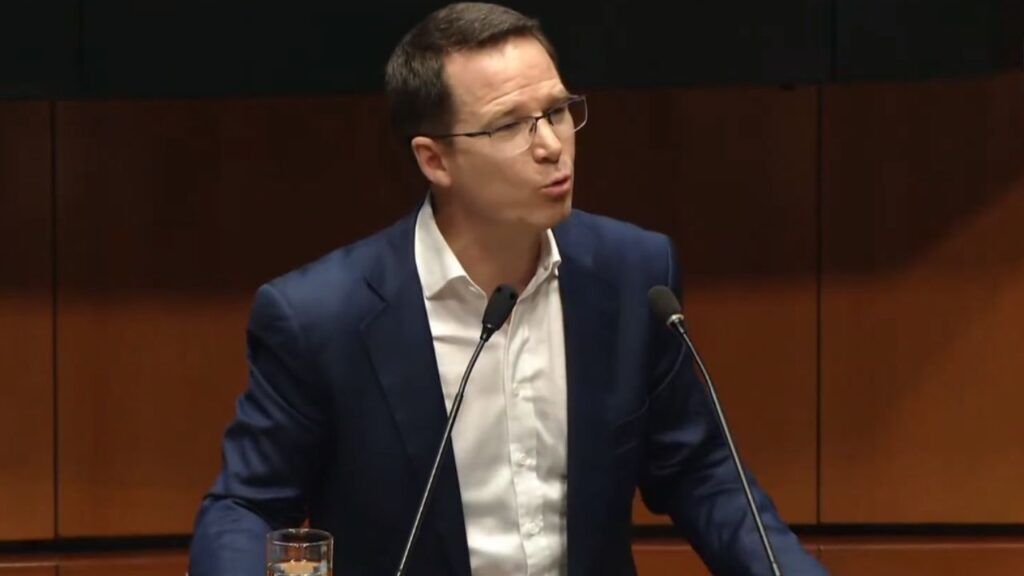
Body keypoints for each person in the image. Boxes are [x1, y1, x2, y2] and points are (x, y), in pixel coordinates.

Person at [189, 3, 827, 575]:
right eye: (510, 126)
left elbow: (701, 472)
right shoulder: (321, 318)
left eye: (557, 112)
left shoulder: (633, 275)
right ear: (434, 159)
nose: (551, 146)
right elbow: (247, 506)